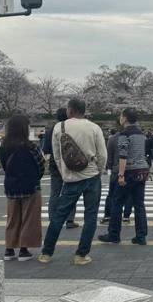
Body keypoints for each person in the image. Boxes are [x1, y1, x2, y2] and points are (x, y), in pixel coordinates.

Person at [38, 98, 107, 266]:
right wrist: (99, 170)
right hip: (91, 176)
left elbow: (56, 155)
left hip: (70, 178)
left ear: (70, 110)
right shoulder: (94, 127)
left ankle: (46, 253)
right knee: (90, 216)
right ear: (84, 111)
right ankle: (81, 255)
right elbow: (102, 155)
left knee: (59, 215)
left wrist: (64, 173)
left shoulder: (59, 127)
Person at [99, 108, 149, 245]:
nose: (120, 118)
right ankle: (141, 236)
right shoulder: (141, 134)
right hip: (141, 171)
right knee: (139, 204)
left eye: (121, 116)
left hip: (128, 172)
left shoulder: (124, 134)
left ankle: (114, 234)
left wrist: (121, 175)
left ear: (125, 118)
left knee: (117, 202)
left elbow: (123, 156)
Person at [0, 115, 45, 262]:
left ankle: (9, 249)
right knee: (29, 218)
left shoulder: (4, 147)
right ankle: (24, 250)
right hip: (31, 187)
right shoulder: (32, 147)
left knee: (12, 218)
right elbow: (41, 165)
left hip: (12, 186)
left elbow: (4, 166)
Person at [42, 108, 80, 230]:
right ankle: (70, 219)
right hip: (70, 163)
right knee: (71, 192)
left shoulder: (51, 130)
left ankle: (52, 218)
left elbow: (46, 149)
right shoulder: (73, 129)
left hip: (55, 164)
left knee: (55, 192)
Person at [101, 129, 133, 226]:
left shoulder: (113, 139)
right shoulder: (133, 138)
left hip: (116, 169)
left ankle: (108, 215)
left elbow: (109, 156)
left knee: (112, 194)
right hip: (130, 169)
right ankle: (126, 216)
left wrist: (109, 168)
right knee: (129, 194)